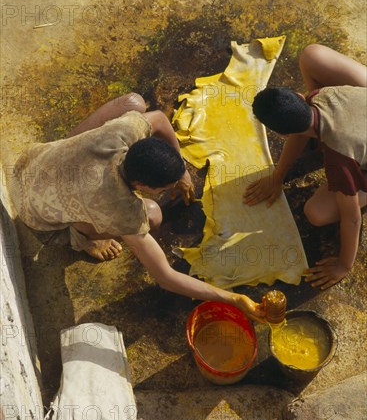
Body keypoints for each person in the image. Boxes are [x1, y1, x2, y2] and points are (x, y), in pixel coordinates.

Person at [11, 92, 265, 322]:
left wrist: (181, 171)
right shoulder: (121, 208)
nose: (169, 190)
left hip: (30, 165)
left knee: (133, 103)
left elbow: (158, 120)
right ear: (142, 185)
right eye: (164, 188)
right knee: (153, 215)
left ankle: (70, 147)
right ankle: (83, 239)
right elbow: (165, 277)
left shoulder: (121, 134)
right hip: (35, 215)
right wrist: (233, 299)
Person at [243, 44, 367, 290]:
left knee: (316, 213)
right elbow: (300, 131)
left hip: (350, 146)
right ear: (300, 98)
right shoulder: (319, 95)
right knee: (312, 53)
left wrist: (344, 264)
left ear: (280, 132)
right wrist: (278, 175)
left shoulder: (339, 157)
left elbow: (351, 218)